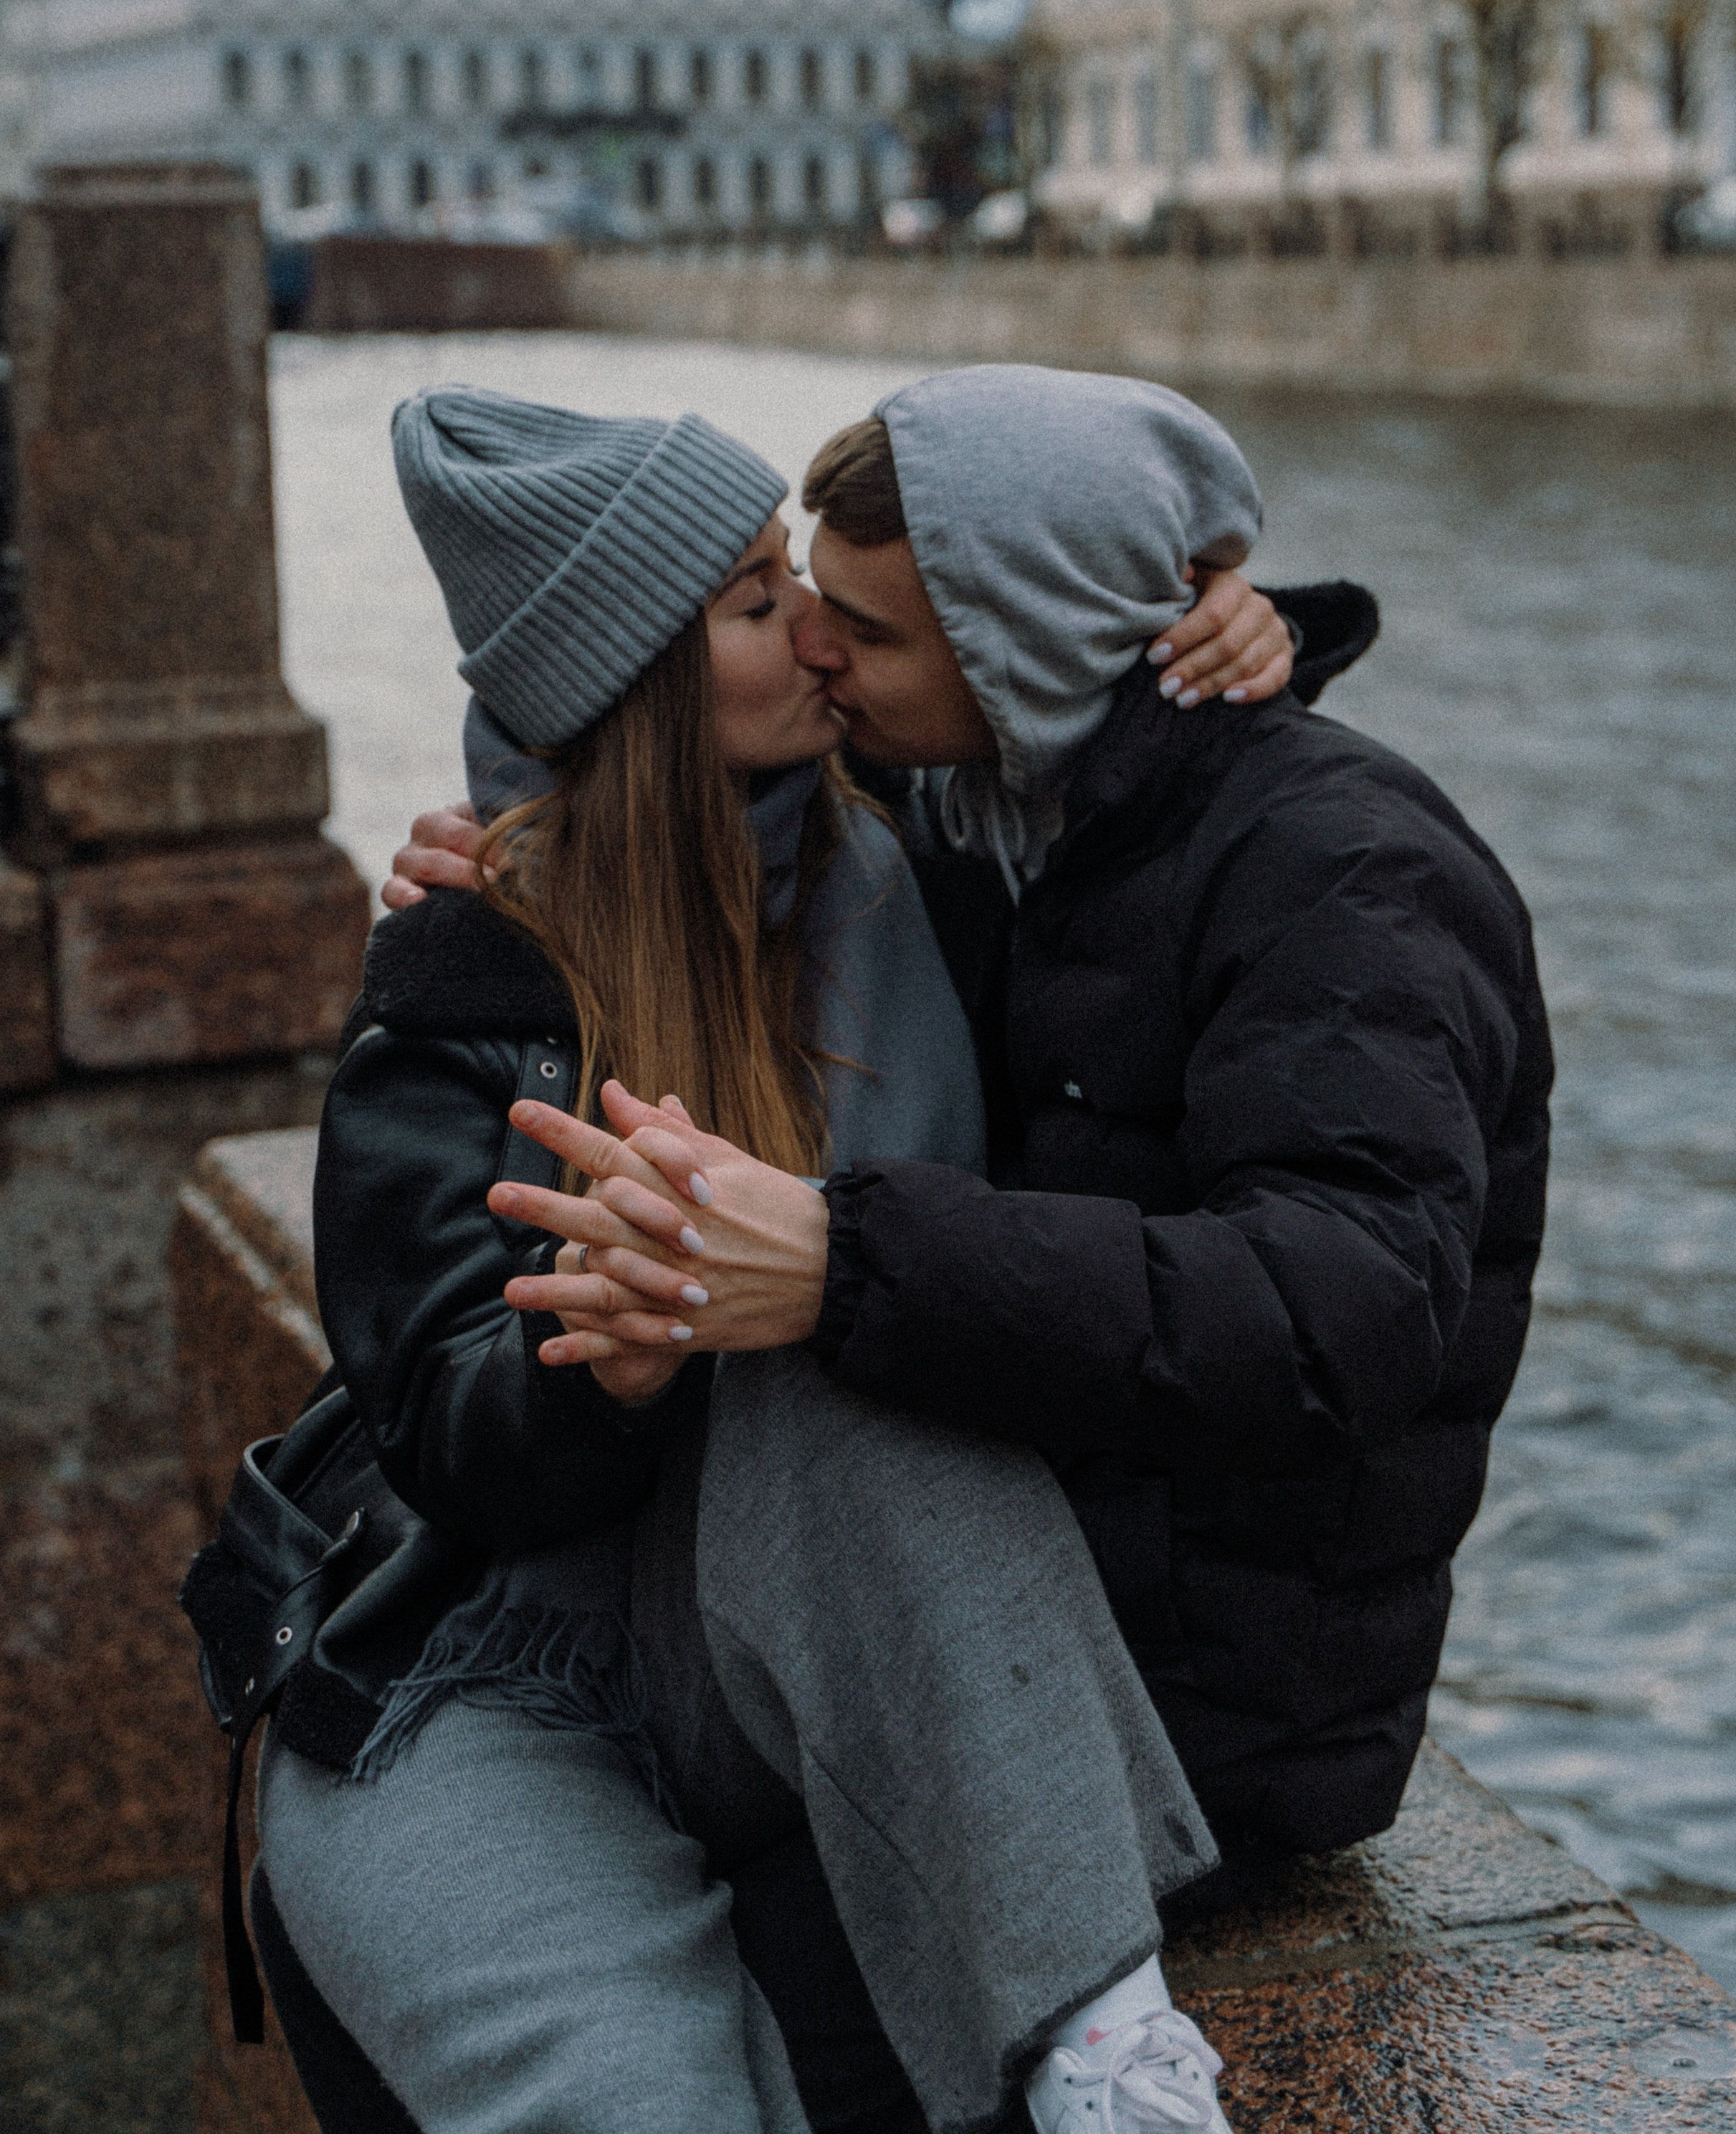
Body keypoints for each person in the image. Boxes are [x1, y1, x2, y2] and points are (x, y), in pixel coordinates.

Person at [254, 384, 1317, 2134]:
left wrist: (1240, 627)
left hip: (813, 1635)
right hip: (494, 1672)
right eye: (758, 602)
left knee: (854, 1326)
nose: (818, 632)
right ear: (645, 683)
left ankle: (1103, 2056)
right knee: (634, 2094)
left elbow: (1104, 778)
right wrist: (616, 1352)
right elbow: (441, 1428)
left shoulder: (921, 868)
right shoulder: (469, 971)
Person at [492, 362, 1553, 1903]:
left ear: (1019, 648)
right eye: (808, 603)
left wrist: (842, 1260)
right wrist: (495, 867)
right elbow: (629, 713)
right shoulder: (990, 807)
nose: (810, 647)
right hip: (994, 1635)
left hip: (1192, 1736)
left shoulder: (1350, 871)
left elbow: (1348, 1307)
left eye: (862, 630)